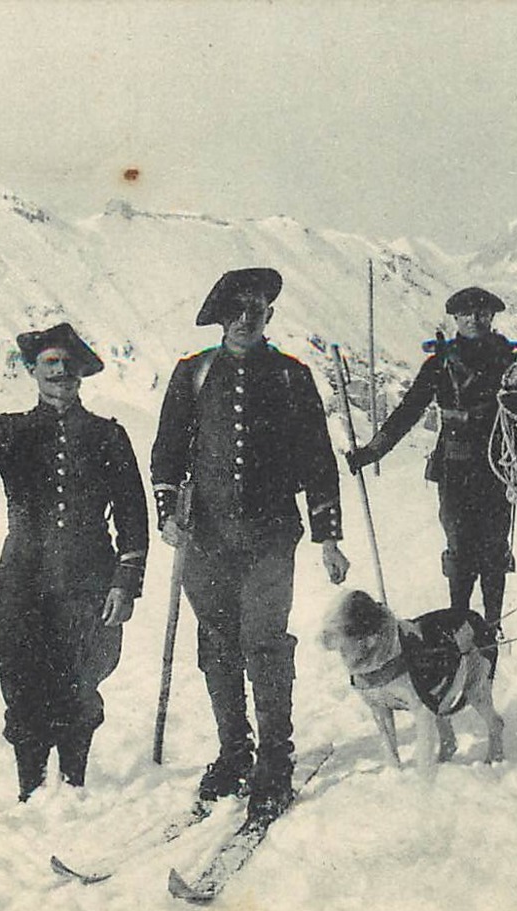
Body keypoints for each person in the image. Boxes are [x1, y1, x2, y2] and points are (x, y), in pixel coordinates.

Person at [150, 267, 349, 825]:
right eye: (235, 310)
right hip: (205, 540)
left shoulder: (291, 377)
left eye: (255, 309)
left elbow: (318, 461)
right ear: (220, 317)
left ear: (269, 315)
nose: (245, 319)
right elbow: (166, 453)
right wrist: (169, 516)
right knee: (217, 645)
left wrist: (329, 536)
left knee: (264, 642)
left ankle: (274, 763)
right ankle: (233, 753)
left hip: (269, 536)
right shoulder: (194, 374)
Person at [0, 323, 148, 802]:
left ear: (81, 375)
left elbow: (134, 516)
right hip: (21, 581)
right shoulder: (11, 431)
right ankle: (30, 791)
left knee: (80, 685)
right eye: (49, 363)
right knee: (23, 684)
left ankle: (73, 787)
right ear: (32, 371)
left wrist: (125, 583)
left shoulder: (107, 436)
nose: (60, 372)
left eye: (69, 365)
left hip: (88, 579)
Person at [345, 287, 517, 651]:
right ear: (455, 319)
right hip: (455, 471)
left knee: (495, 548)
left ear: (492, 317)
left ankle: (491, 629)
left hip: (498, 469)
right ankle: (459, 625)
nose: (475, 319)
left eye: (481, 312)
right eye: (467, 313)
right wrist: (373, 452)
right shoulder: (439, 364)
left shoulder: (509, 363)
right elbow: (408, 411)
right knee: (460, 549)